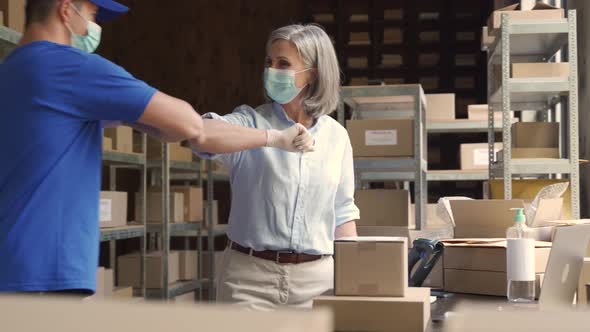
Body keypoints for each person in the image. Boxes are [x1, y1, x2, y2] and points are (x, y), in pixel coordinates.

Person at [0, 0, 313, 295]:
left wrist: (141, 120)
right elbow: (190, 124)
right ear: (66, 10)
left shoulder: (13, 69)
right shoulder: (70, 67)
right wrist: (273, 138)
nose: (94, 28)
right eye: (93, 15)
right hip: (43, 274)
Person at [192, 24, 359, 310]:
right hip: (249, 281)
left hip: (317, 283)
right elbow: (201, 134)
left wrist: (357, 278)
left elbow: (342, 212)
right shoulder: (251, 122)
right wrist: (272, 138)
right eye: (269, 63)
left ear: (313, 72)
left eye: (283, 64)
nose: (272, 71)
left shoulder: (336, 137)